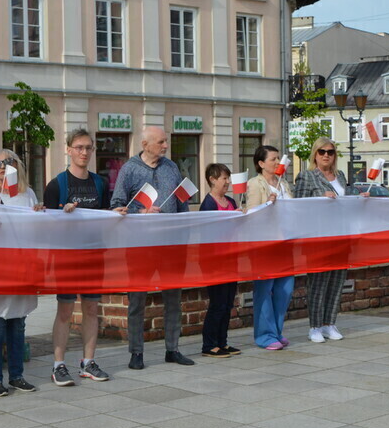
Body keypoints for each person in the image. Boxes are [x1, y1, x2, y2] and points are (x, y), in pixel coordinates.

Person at [110, 126, 195, 369]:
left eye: (165, 141)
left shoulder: (171, 167)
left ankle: (173, 349)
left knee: (173, 299)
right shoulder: (128, 170)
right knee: (137, 300)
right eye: (160, 142)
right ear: (145, 145)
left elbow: (182, 204)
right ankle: (136, 352)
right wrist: (140, 212)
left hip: (170, 245)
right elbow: (117, 205)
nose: (165, 146)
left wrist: (184, 239)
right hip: (140, 247)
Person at [42, 128, 111, 385]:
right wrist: (64, 215)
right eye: (79, 147)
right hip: (67, 258)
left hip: (94, 255)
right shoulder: (57, 184)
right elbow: (47, 225)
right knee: (65, 311)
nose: (84, 152)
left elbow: (105, 218)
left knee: (92, 309)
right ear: (68, 149)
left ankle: (88, 362)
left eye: (88, 148)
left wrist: (118, 213)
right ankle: (58, 364)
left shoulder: (101, 183)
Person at [0, 150, 42, 397]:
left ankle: (17, 376)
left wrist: (39, 214)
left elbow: (35, 230)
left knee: (18, 324)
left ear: (17, 166)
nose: (2, 166)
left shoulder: (27, 195)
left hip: (20, 267)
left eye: (7, 161)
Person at [293, 137, 347, 342]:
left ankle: (329, 323)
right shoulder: (306, 176)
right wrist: (319, 198)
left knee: (337, 281)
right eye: (322, 151)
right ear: (315, 154)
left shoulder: (340, 175)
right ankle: (314, 325)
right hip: (317, 237)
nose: (326, 155)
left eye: (330, 152)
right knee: (318, 283)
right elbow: (298, 205)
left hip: (340, 235)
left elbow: (345, 201)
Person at [246, 145, 295, 350]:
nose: (277, 162)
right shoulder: (255, 184)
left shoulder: (283, 183)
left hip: (284, 242)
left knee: (285, 289)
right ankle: (265, 335)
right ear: (261, 163)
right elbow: (250, 213)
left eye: (278, 159)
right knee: (265, 290)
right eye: (273, 159)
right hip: (264, 243)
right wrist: (266, 203)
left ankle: (276, 330)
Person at [198, 163, 241, 358]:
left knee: (228, 303)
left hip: (231, 259)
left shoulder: (231, 201)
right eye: (224, 178)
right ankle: (209, 344)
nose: (228, 182)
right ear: (212, 180)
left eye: (228, 178)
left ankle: (222, 342)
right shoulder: (207, 204)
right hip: (214, 262)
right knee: (217, 303)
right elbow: (207, 233)